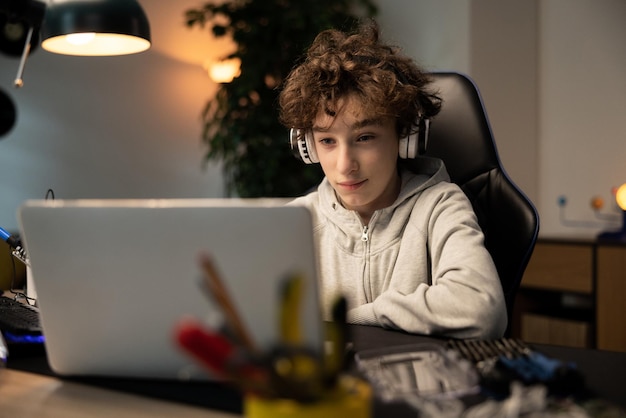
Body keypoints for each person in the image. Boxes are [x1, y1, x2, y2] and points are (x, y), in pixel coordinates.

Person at [278, 20, 506, 339]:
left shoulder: (440, 205)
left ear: (405, 138)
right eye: (327, 141)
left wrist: (351, 319)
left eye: (365, 137)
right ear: (307, 147)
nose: (345, 165)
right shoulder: (294, 222)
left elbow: (480, 309)